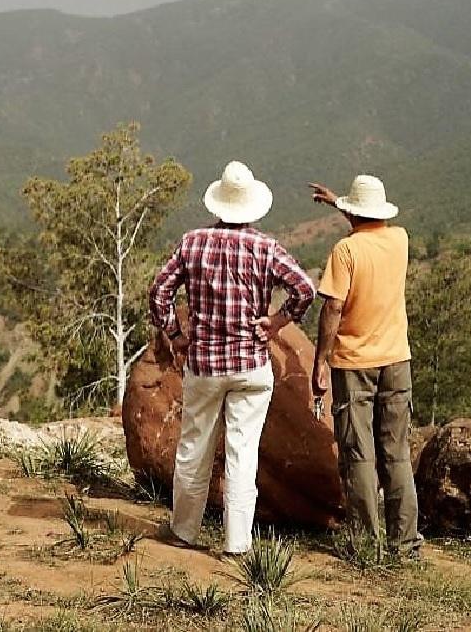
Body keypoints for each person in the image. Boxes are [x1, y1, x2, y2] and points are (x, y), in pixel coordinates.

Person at [148, 161, 315, 555]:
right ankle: (238, 542)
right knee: (243, 452)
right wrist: (275, 322)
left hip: (204, 365)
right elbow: (304, 289)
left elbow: (159, 294)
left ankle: (184, 531)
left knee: (194, 447)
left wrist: (176, 336)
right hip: (250, 366)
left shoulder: (192, 243)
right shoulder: (265, 248)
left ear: (218, 204)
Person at [308, 174, 422, 559]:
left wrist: (320, 360)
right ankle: (404, 543)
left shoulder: (344, 252)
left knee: (359, 453)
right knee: (397, 453)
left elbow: (333, 307)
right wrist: (338, 202)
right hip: (397, 360)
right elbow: (368, 229)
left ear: (353, 212)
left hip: (355, 363)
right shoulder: (400, 240)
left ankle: (364, 543)